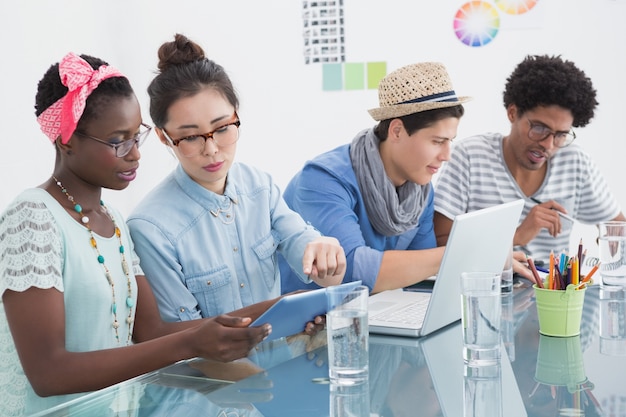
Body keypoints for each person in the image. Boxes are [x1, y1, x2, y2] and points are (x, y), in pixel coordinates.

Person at [0, 52, 273, 416]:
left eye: (136, 136)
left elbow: (153, 332)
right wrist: (192, 343)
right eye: (118, 142)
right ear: (67, 141)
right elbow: (49, 373)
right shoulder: (32, 217)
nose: (135, 156)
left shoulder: (112, 219)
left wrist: (277, 310)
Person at [127, 34, 346, 325]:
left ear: (236, 115)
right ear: (163, 137)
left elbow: (319, 268)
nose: (212, 149)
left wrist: (327, 256)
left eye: (222, 128)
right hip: (211, 371)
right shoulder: (151, 229)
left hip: (278, 357)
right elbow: (182, 342)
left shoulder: (260, 187)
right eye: (190, 137)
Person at [279, 62, 471, 294]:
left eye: (450, 141)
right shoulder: (322, 179)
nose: (447, 156)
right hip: (313, 324)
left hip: (377, 314)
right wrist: (463, 252)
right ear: (397, 131)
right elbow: (350, 271)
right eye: (437, 141)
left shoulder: (421, 192)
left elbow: (422, 276)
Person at [433, 55, 625, 272]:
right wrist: (517, 235)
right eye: (540, 129)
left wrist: (611, 260)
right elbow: (439, 245)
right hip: (488, 292)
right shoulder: (470, 157)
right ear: (512, 113)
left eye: (560, 134)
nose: (549, 145)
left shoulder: (574, 161)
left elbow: (618, 229)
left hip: (552, 295)